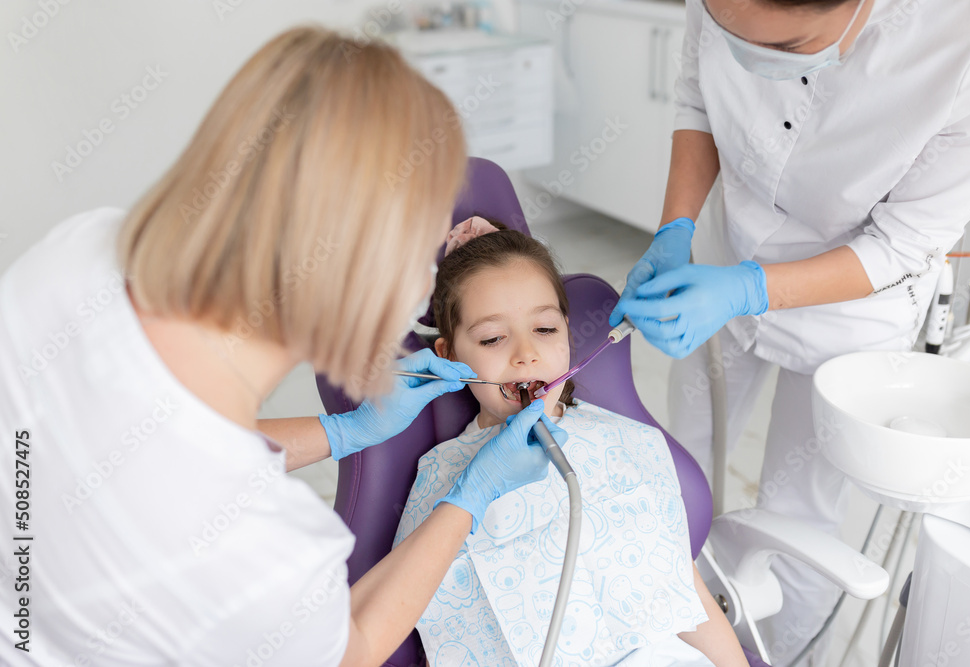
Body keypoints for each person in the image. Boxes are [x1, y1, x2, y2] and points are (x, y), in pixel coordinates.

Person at [0, 28, 556, 666]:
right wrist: (470, 498)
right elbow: (352, 649)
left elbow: (139, 452)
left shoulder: (77, 254)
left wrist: (343, 432)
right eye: (424, 249)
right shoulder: (267, 551)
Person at [611, 0, 970, 663]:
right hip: (722, 255)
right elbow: (697, 100)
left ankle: (781, 653)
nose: (752, 62)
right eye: (730, 35)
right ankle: (681, 621)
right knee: (683, 461)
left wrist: (750, 288)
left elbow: (904, 243)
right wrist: (676, 226)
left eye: (787, 47)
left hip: (848, 312)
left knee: (799, 515)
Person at [395, 217, 750, 667]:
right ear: (448, 355)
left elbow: (684, 594)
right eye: (492, 338)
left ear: (567, 331)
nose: (526, 354)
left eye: (544, 330)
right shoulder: (443, 479)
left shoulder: (626, 445)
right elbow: (433, 627)